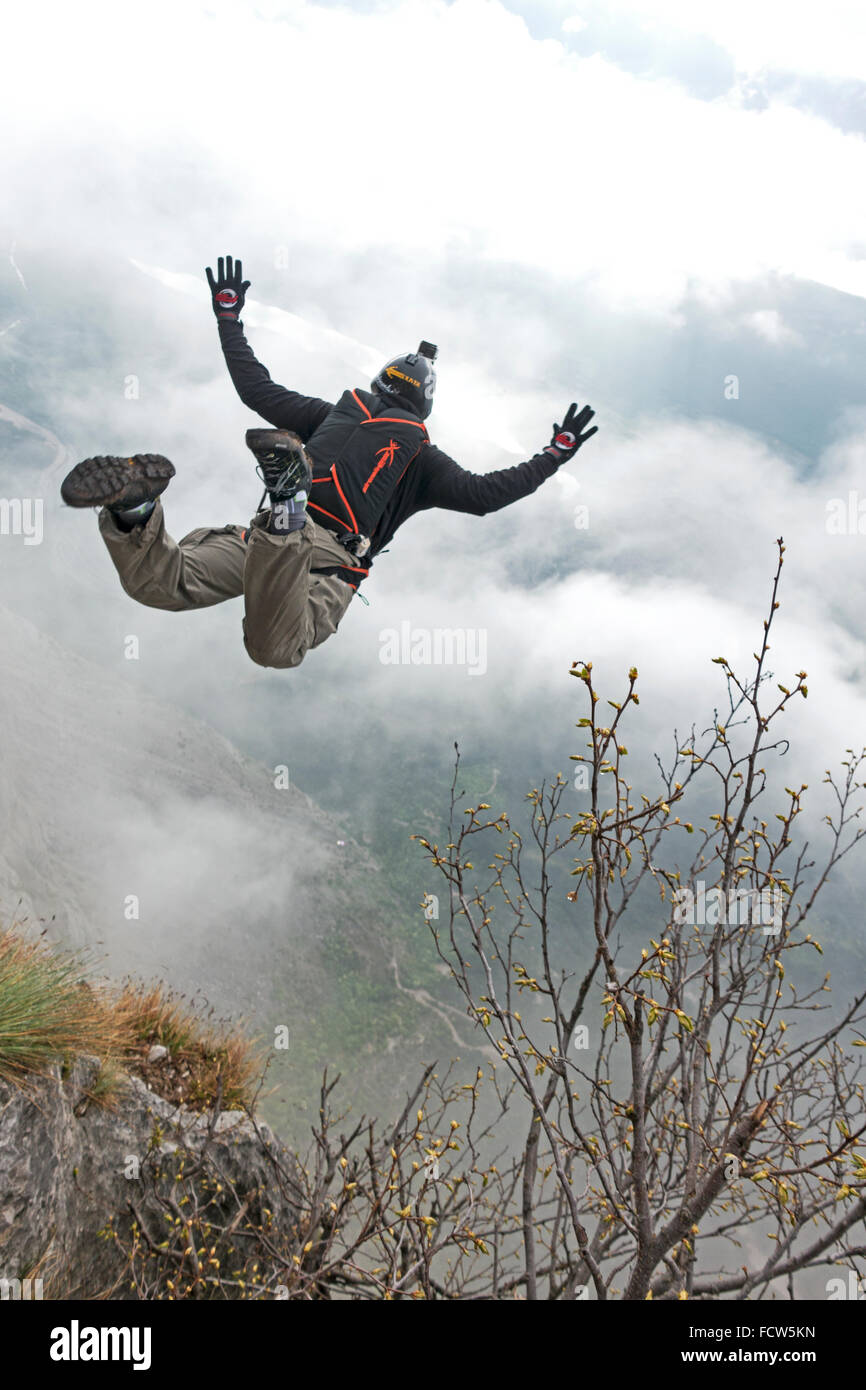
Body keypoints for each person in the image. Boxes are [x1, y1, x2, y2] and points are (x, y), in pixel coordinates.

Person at [60, 255, 599, 670]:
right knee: (275, 649)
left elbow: (256, 388)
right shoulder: (423, 462)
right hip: (327, 560)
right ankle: (288, 516)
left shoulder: (328, 417)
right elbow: (487, 496)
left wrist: (229, 316)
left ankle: (137, 508)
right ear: (424, 408)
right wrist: (554, 454)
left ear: (378, 386)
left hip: (255, 540)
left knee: (159, 584)